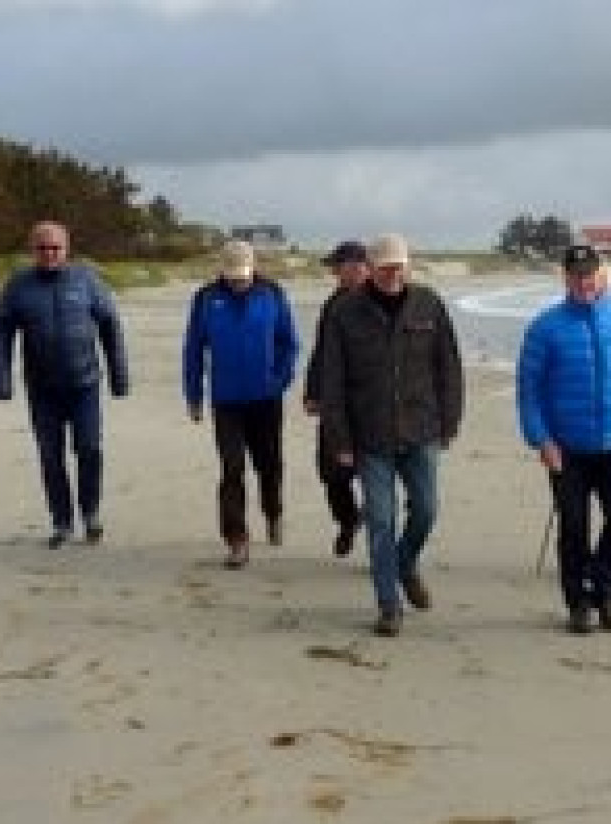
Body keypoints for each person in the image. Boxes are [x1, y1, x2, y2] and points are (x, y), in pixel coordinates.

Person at [317, 233, 464, 637]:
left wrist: (450, 420)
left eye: (398, 266)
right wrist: (340, 440)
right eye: (384, 267)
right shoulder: (345, 312)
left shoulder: (428, 304)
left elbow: (448, 366)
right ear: (371, 267)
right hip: (370, 436)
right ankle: (388, 605)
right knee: (381, 520)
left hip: (422, 429)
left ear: (407, 266)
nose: (392, 274)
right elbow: (333, 380)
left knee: (427, 510)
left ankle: (405, 563)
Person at [516, 244, 611, 634]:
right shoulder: (545, 326)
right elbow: (529, 392)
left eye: (589, 275)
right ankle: (578, 604)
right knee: (573, 527)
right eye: (576, 275)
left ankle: (604, 589)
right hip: (566, 448)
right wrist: (541, 440)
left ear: (599, 275)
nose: (584, 282)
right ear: (566, 278)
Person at [0, 221, 130, 549]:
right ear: (32, 250)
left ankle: (91, 513)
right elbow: (1, 332)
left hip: (85, 384)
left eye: (56, 248)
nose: (50, 254)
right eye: (43, 248)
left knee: (89, 450)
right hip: (42, 389)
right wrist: (1, 379)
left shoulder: (87, 280)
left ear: (67, 249)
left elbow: (110, 325)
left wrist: (119, 376)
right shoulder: (18, 285)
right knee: (51, 457)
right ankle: (62, 522)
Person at [182, 240, 300, 569]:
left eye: (243, 277)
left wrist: (281, 379)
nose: (238, 283)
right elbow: (193, 349)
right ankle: (237, 540)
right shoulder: (206, 299)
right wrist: (193, 395)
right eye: (232, 277)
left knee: (269, 466)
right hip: (226, 401)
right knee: (232, 469)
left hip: (266, 399)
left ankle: (273, 512)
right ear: (223, 271)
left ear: (254, 270)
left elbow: (289, 343)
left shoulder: (273, 294)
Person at [303, 240, 371, 557]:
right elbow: (320, 352)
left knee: (375, 476)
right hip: (334, 401)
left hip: (372, 405)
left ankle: (379, 545)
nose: (332, 272)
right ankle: (348, 521)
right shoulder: (333, 303)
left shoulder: (380, 300)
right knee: (331, 473)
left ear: (358, 267)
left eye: (337, 266)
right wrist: (312, 391)